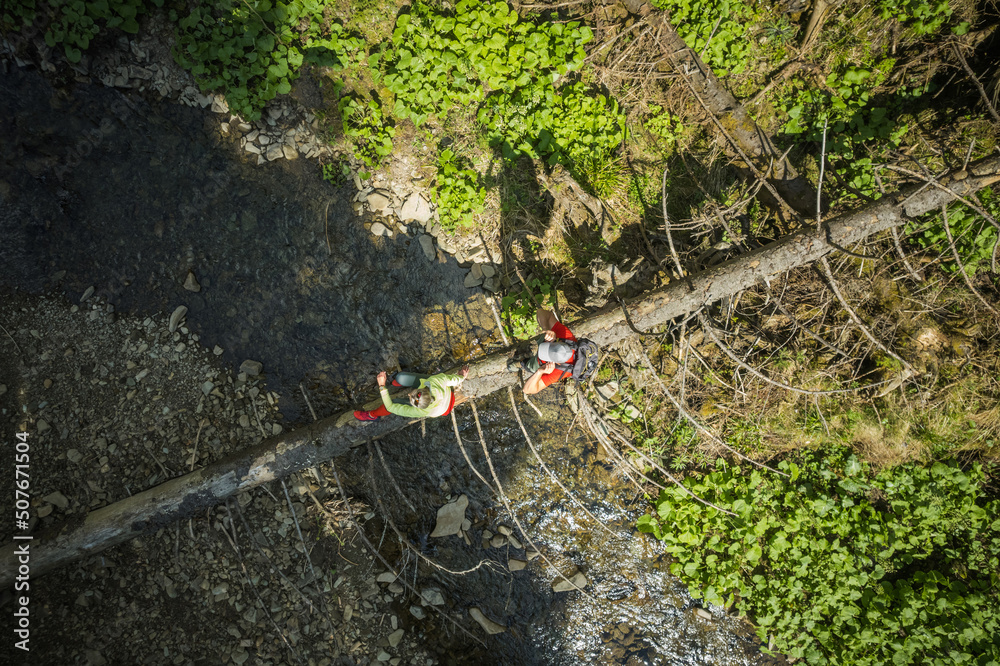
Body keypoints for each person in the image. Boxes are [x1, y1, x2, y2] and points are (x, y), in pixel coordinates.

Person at [354, 366, 470, 421]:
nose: (408, 395)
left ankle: (372, 415)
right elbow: (454, 380)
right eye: (412, 394)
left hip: (444, 408)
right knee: (400, 377)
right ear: (424, 390)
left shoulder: (420, 411)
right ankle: (397, 382)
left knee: (394, 403)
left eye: (410, 397)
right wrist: (461, 376)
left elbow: (391, 406)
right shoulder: (436, 381)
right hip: (443, 391)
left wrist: (382, 386)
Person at [509, 308, 577, 395]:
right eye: (549, 345)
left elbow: (527, 390)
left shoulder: (559, 371)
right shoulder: (566, 336)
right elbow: (540, 312)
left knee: (528, 365)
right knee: (540, 340)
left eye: (546, 354)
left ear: (558, 363)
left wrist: (539, 372)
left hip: (538, 364)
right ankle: (531, 350)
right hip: (546, 342)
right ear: (560, 341)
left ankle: (519, 364)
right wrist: (546, 329)